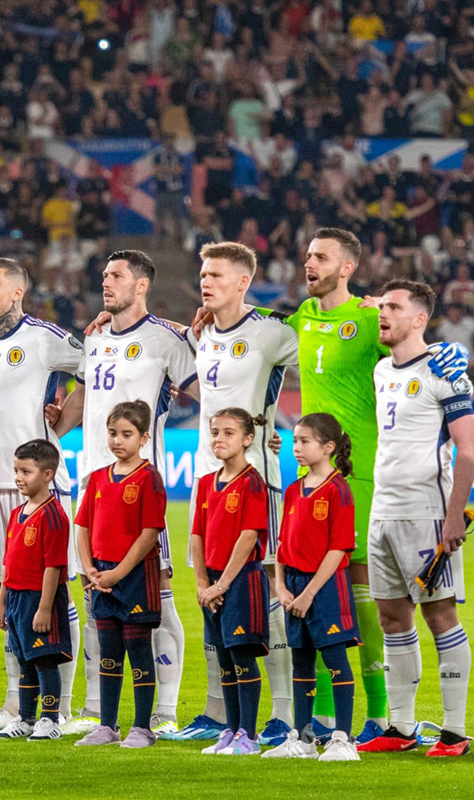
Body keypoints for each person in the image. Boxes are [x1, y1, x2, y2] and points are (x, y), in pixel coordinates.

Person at [270, 229, 468, 745]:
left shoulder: (368, 316)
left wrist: (454, 352)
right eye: (307, 254)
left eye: (320, 257)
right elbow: (254, 334)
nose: (308, 263)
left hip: (364, 476)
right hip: (310, 473)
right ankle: (338, 717)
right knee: (335, 594)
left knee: (361, 594)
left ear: (347, 267)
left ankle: (380, 713)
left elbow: (419, 339)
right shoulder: (302, 318)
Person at [51, 250, 196, 735]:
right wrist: (57, 421)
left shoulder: (166, 340)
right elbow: (84, 398)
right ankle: (101, 712)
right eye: (104, 274)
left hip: (139, 487)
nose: (106, 282)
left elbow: (208, 390)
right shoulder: (94, 339)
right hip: (93, 483)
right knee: (95, 594)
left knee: (161, 593)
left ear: (141, 286)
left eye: (116, 276)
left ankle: (166, 712)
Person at [183, 242, 298, 745]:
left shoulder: (271, 330)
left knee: (265, 595)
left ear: (243, 282)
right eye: (203, 274)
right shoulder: (202, 332)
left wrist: (279, 426)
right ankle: (219, 712)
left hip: (258, 481)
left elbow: (318, 360)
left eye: (216, 275)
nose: (206, 282)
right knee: (210, 595)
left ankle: (283, 712)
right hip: (208, 482)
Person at [358, 280, 474, 758]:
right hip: (382, 511)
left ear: (419, 319)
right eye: (381, 306)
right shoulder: (383, 369)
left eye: (394, 307)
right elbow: (376, 309)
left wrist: (452, 518)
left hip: (426, 513)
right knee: (391, 617)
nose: (383, 314)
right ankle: (402, 728)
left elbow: (467, 451)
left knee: (439, 614)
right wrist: (372, 302)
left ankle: (454, 732)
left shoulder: (445, 370)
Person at [0, 257, 85, 732]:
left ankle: (70, 706)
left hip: (39, 487)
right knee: (11, 593)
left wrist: (66, 420)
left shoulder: (42, 336)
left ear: (17, 292)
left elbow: (95, 370)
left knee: (58, 596)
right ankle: (18, 705)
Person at [263, 413, 360, 762]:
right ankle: (302, 738)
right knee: (300, 662)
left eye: (304, 441)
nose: (297, 448)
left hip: (326, 588)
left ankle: (343, 739)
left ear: (328, 447)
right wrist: (281, 586)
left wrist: (308, 593)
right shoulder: (292, 490)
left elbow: (338, 549)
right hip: (293, 587)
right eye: (295, 442)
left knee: (335, 660)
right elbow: (282, 545)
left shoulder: (338, 489)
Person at [73, 401, 167, 749]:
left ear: (143, 437)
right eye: (113, 433)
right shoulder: (98, 477)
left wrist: (117, 573)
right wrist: (89, 568)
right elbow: (82, 525)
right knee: (108, 653)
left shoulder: (148, 477)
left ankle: (142, 727)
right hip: (101, 579)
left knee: (139, 650)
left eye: (126, 434)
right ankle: (107, 726)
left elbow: (148, 533)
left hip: (134, 578)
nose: (117, 441)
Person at [191, 408, 272, 756]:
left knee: (242, 657)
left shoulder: (253, 482)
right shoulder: (207, 482)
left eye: (228, 433)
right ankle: (230, 729)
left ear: (247, 439)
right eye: (214, 433)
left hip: (240, 582)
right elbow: (197, 534)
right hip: (210, 583)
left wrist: (221, 585)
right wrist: (200, 583)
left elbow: (248, 536)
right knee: (223, 659)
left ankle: (248, 735)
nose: (218, 440)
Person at [0, 439, 73, 742]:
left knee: (44, 659)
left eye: (26, 471)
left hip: (40, 599)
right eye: (16, 470)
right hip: (15, 598)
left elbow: (53, 567)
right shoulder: (16, 514)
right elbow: (8, 563)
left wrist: (44, 608)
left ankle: (50, 720)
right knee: (24, 659)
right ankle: (25, 718)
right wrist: (2, 603)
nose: (18, 477)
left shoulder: (54, 515)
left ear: (47, 474)